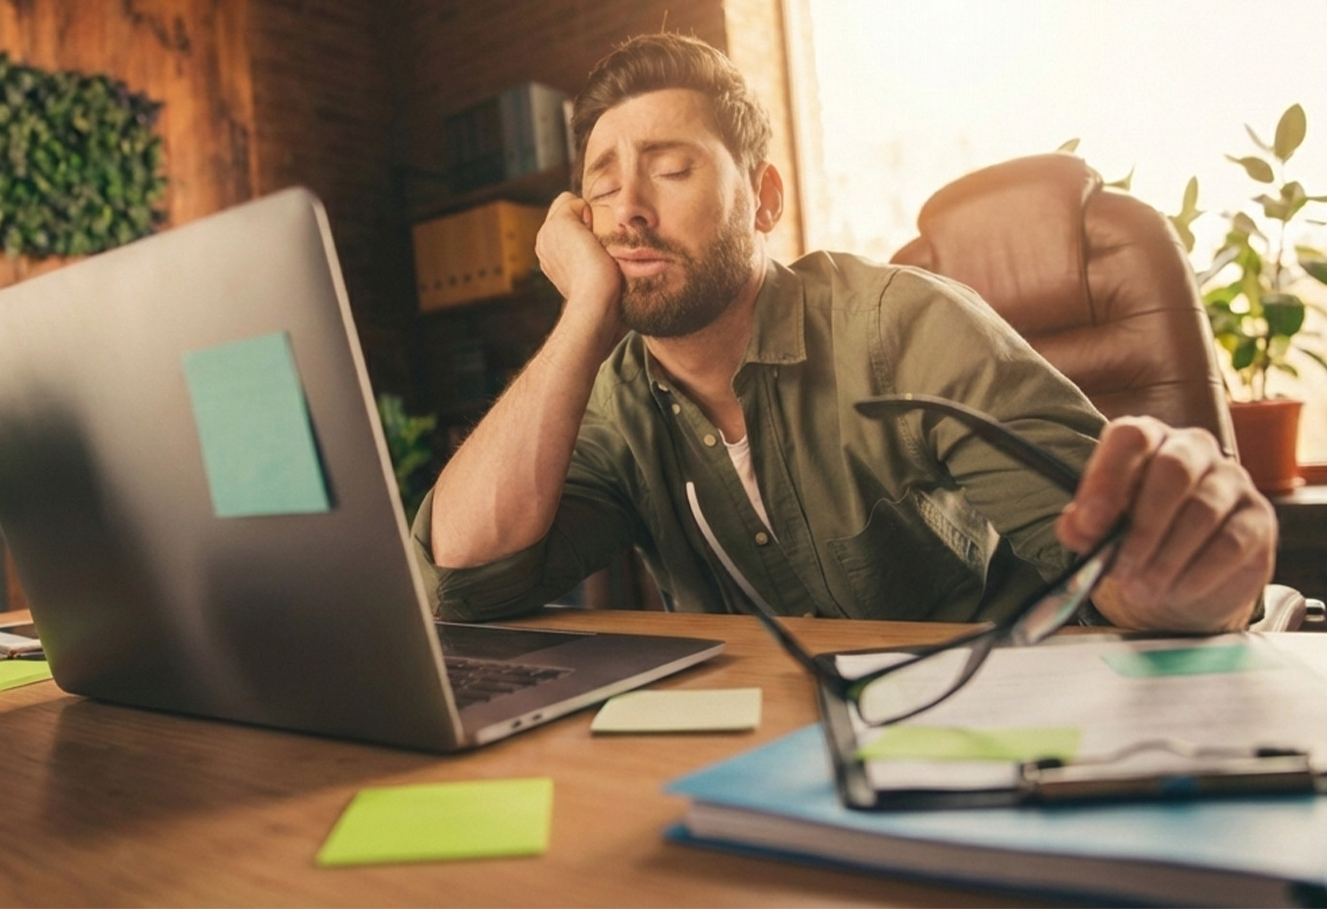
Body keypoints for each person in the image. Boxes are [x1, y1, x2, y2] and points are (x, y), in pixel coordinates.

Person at [409, 32, 1276, 633]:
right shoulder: (612, 403)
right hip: (757, 763)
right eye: (601, 186)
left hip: (983, 737)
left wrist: (1185, 582)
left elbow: (1113, 567)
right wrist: (583, 312)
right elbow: (459, 581)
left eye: (672, 169)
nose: (630, 208)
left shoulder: (904, 325)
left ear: (768, 200)